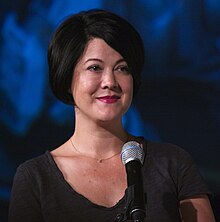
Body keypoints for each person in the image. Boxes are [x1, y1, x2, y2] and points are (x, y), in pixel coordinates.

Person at [8, 9, 216, 222]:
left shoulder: (173, 164)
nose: (110, 81)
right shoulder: (35, 177)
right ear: (67, 77)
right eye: (95, 67)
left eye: (122, 68)